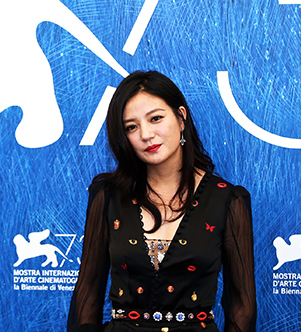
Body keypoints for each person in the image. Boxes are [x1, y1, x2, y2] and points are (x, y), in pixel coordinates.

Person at [67, 71, 256, 332]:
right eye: (131, 127)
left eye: (156, 118)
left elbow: (242, 306)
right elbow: (88, 291)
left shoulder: (227, 200)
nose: (146, 134)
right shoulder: (108, 196)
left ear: (181, 118)